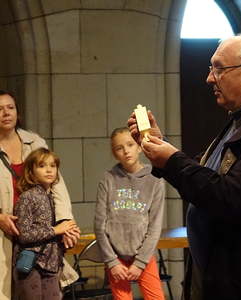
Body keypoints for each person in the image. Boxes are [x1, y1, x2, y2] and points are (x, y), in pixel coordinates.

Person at [128, 33, 241, 300]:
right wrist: (160, 149)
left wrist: (172, 160)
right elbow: (211, 171)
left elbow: (230, 197)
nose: (209, 78)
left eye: (218, 68)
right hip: (223, 273)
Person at [0, 90, 80, 299]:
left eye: (10, 107)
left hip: (39, 235)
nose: (6, 113)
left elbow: (57, 185)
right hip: (5, 230)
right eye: (0, 109)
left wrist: (66, 223)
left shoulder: (34, 141)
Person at [94, 127, 165, 300]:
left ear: (139, 146)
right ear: (114, 152)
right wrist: (112, 262)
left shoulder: (155, 179)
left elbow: (155, 226)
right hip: (116, 257)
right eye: (119, 148)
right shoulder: (109, 178)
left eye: (130, 145)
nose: (126, 151)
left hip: (143, 256)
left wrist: (140, 263)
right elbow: (99, 225)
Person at [13, 148, 77, 300]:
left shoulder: (53, 198)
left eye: (52, 166)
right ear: (31, 171)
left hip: (52, 263)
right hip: (31, 265)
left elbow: (62, 227)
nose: (49, 170)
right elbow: (24, 234)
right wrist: (55, 230)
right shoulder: (28, 197)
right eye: (42, 166)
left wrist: (68, 232)